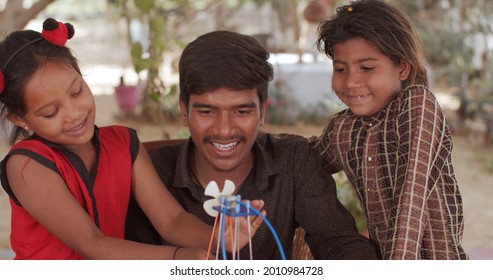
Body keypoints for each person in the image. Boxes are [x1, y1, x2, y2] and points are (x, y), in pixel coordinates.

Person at [0, 18, 263, 260]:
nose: (74, 113)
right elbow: (91, 243)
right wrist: (177, 258)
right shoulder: (26, 165)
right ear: (19, 119)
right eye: (50, 112)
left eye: (77, 91)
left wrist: (219, 238)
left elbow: (171, 220)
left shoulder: (123, 143)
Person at [125, 30, 378, 260]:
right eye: (207, 112)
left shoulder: (293, 160)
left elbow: (337, 240)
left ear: (262, 111)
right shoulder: (152, 175)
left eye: (242, 111)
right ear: (184, 112)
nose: (224, 130)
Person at [311, 0, 468, 259]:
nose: (351, 82)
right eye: (340, 69)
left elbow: (411, 202)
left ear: (402, 67)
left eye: (367, 68)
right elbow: (305, 156)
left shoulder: (418, 105)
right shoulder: (343, 129)